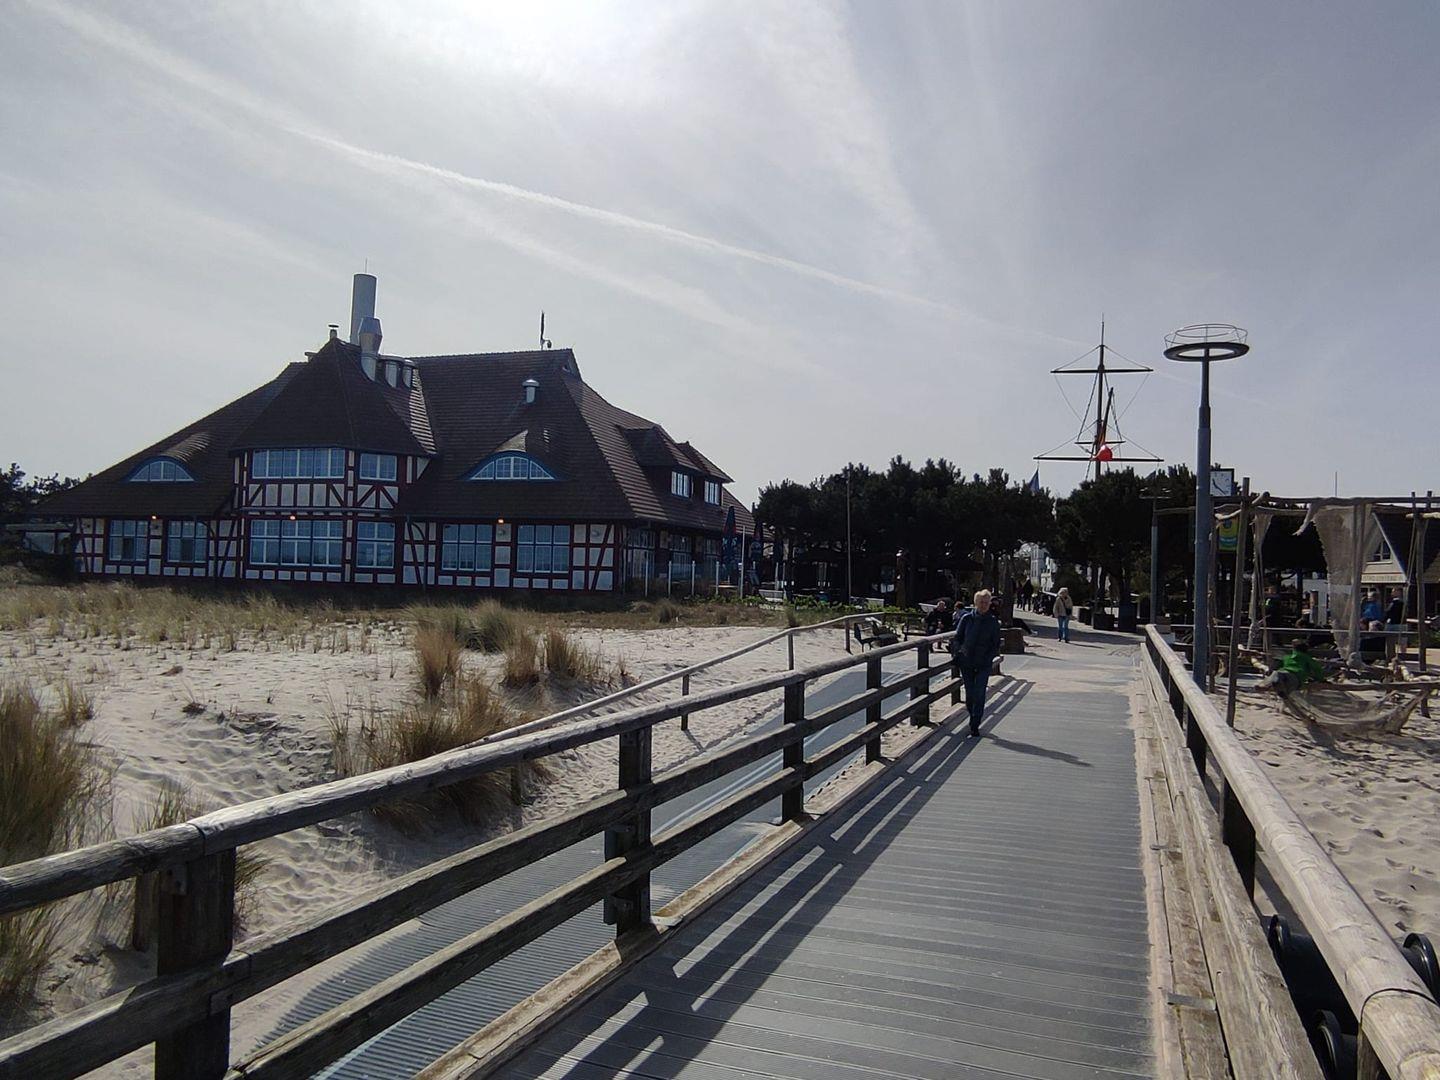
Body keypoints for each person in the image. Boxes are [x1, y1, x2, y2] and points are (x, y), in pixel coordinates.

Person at [953, 589, 1002, 736]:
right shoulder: (966, 619)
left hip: (983, 663)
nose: (984, 605)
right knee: (970, 694)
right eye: (981, 602)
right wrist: (958, 651)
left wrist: (989, 657)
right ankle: (971, 713)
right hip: (967, 662)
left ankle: (975, 723)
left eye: (986, 602)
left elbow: (996, 644)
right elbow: (957, 637)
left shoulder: (992, 621)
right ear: (975, 603)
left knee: (980, 693)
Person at [1259, 638, 1326, 697]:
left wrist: (1268, 671)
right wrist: (1321, 679)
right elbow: (1317, 669)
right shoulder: (1307, 658)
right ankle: (1282, 691)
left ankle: (1265, 685)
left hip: (1285, 675)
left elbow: (1275, 666)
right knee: (1281, 678)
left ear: (1294, 649)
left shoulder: (1286, 657)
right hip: (1296, 679)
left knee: (1276, 674)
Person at [1385, 589, 1406, 661]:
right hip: (1393, 623)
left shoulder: (1401, 602)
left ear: (1399, 592)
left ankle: (1402, 657)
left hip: (1399, 624)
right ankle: (1392, 657)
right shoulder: (1392, 602)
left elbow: (1388, 612)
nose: (1392, 593)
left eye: (1394, 591)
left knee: (1401, 641)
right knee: (1391, 642)